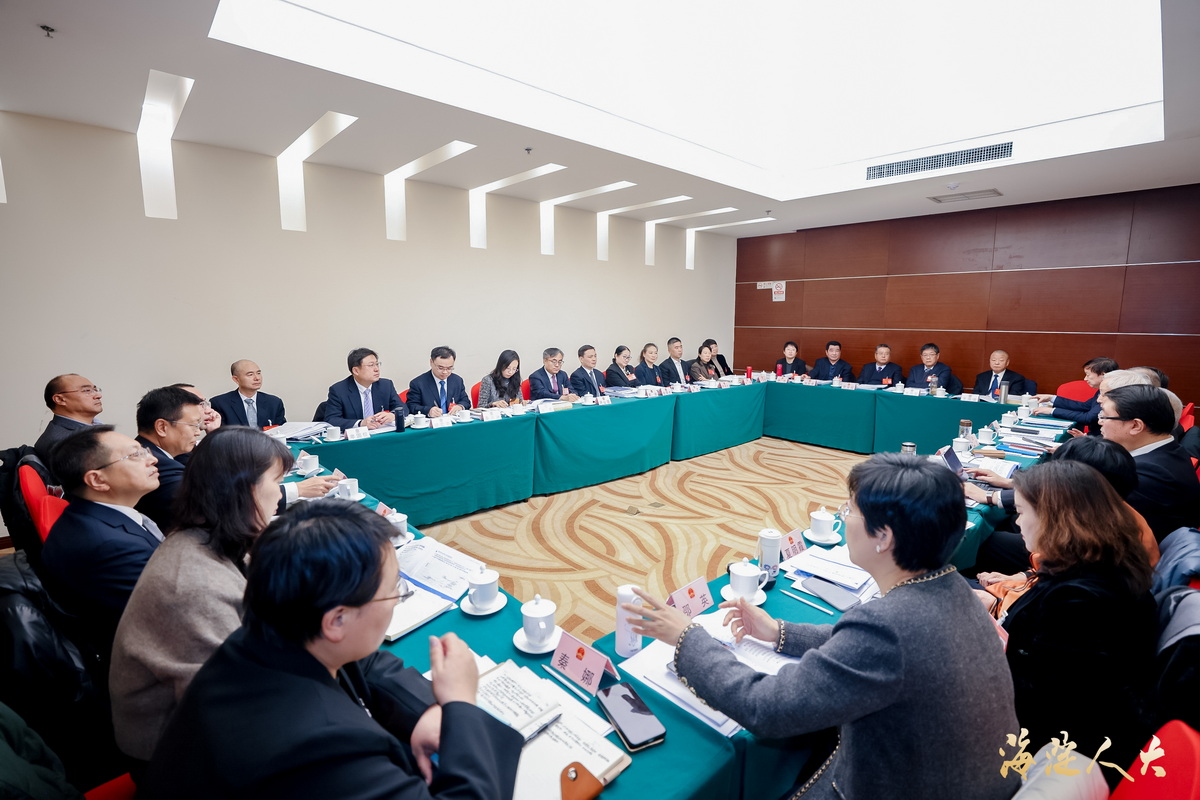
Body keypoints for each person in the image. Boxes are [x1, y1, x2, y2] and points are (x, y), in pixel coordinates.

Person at [623, 453, 1020, 800]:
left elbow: (766, 707)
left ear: (883, 537)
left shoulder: (889, 627)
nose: (844, 520)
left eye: (851, 511)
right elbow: (865, 649)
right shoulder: (953, 588)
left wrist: (687, 637)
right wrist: (779, 632)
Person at [141, 500, 522, 800]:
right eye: (394, 590)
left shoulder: (268, 634)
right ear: (336, 620)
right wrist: (460, 705)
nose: (396, 600)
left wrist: (424, 713)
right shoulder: (320, 751)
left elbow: (364, 662)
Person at [110, 427, 293, 768]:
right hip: (181, 760)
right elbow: (241, 708)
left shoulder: (206, 534)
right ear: (246, 490)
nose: (280, 495)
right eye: (277, 481)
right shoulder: (192, 587)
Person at [1002, 461, 1156, 784]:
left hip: (1059, 755)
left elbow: (1046, 704)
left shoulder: (1079, 601)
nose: (1017, 522)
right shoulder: (1103, 562)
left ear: (1052, 517)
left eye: (1021, 511)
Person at [41, 426, 161, 670]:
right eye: (135, 455)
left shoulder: (90, 515)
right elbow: (170, 617)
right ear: (97, 480)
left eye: (145, 451)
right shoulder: (112, 546)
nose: (153, 459)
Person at [968, 435, 1161, 576]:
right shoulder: (1107, 510)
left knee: (985, 543)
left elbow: (1056, 573)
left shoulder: (1090, 546)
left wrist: (1002, 594)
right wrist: (1025, 577)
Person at [1100, 384, 1200, 540]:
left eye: (1104, 416)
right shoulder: (1169, 449)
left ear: (1135, 425)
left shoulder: (1145, 476)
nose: (1100, 421)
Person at [134, 386, 205, 531]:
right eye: (194, 425)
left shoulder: (147, 451)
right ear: (162, 427)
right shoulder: (160, 469)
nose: (198, 432)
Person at [1032, 356, 1119, 432]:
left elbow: (1087, 418)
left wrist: (1052, 411)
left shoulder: (1112, 394)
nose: (1085, 379)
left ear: (1103, 375)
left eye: (1088, 375)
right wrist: (1051, 398)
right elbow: (1084, 406)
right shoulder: (1102, 390)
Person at [324, 348, 403, 430]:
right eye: (371, 365)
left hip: (380, 433)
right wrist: (360, 423)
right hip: (356, 436)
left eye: (377, 364)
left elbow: (402, 407)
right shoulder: (339, 390)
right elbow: (331, 420)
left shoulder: (385, 385)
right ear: (356, 371)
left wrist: (393, 415)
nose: (376, 369)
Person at [34, 374, 104, 463]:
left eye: (95, 390)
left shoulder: (93, 427)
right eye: (87, 390)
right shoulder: (63, 443)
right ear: (60, 399)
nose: (98, 395)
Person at [211, 360, 286, 429]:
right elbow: (219, 435)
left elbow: (283, 431)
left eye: (258, 373)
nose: (257, 378)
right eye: (250, 374)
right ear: (236, 379)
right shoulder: (220, 403)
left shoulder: (274, 402)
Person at [408, 346, 470, 417]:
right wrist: (428, 411)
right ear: (431, 362)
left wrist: (460, 406)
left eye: (449, 368)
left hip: (453, 420)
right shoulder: (418, 383)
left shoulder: (457, 380)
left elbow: (466, 401)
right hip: (432, 422)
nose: (445, 372)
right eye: (440, 368)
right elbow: (411, 406)